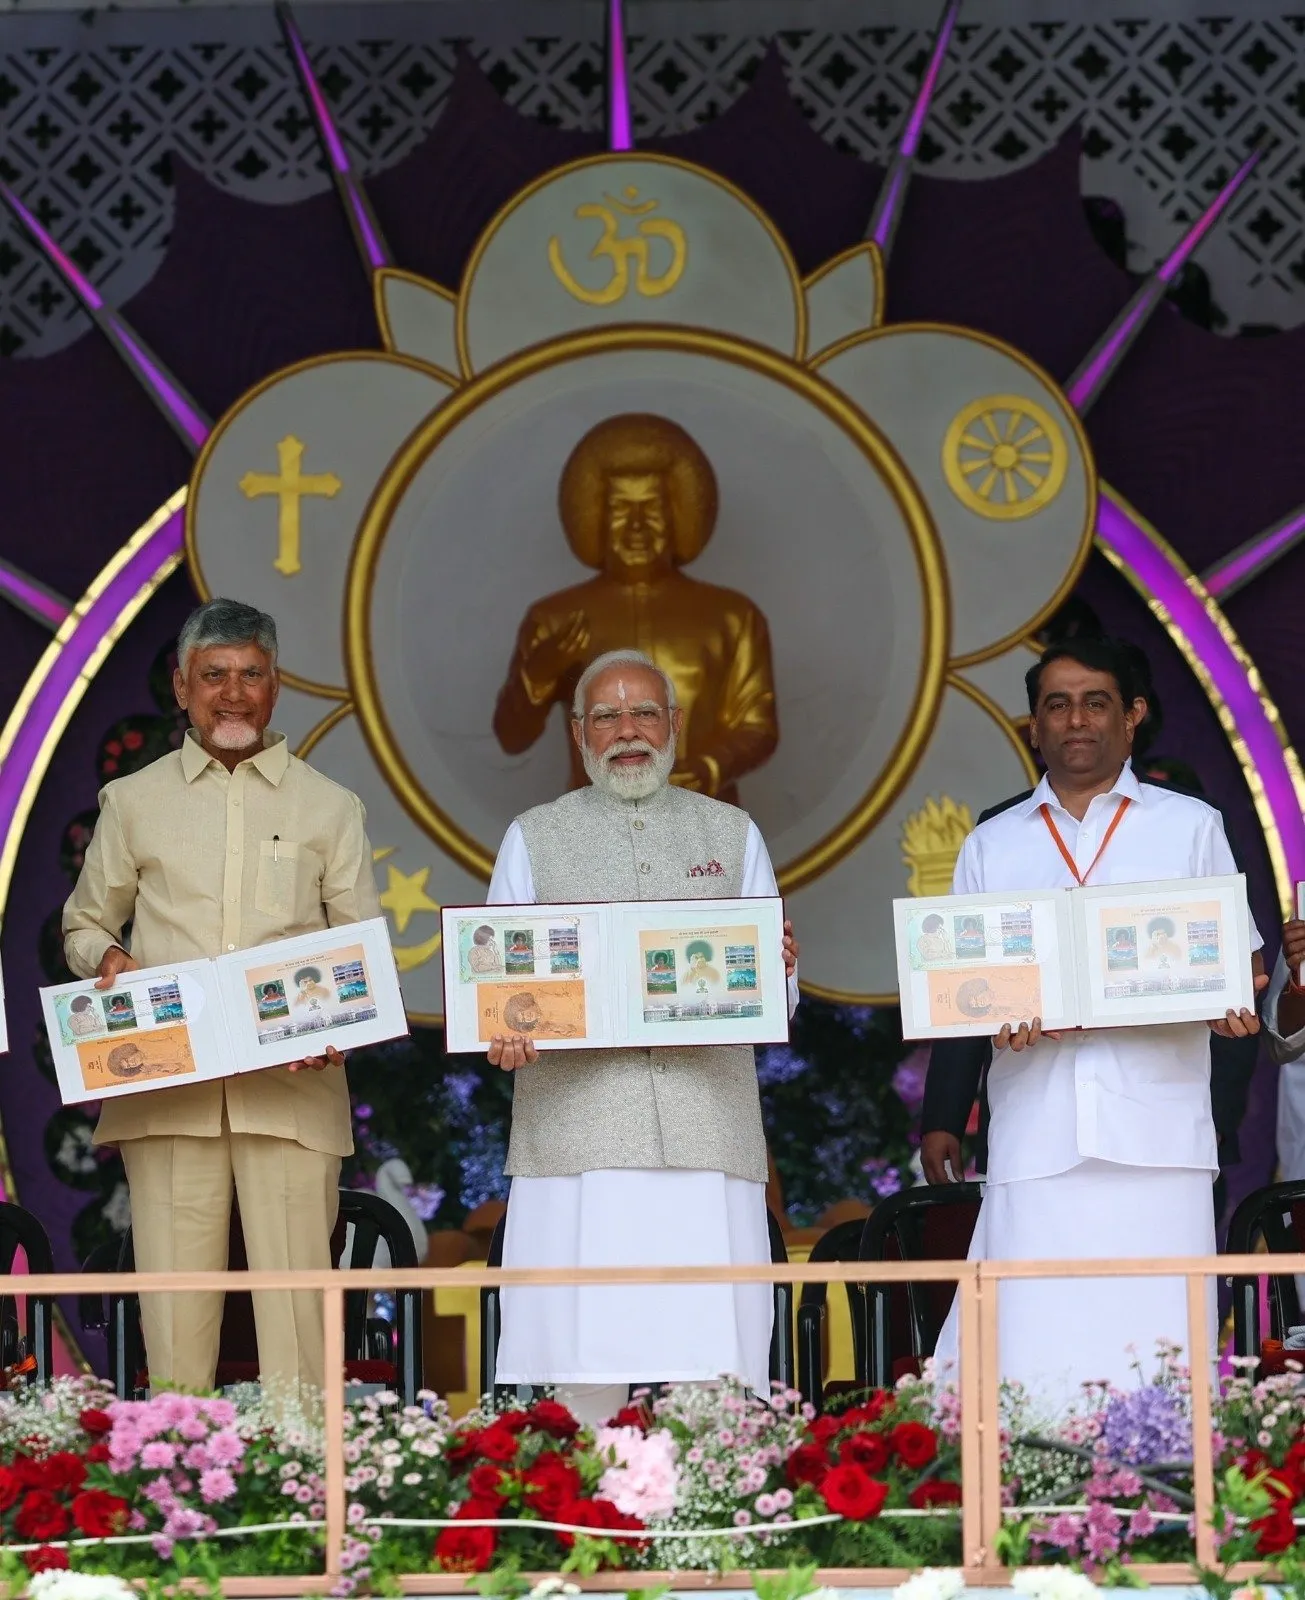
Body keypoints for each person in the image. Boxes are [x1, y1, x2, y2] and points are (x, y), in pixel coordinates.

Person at [930, 635, 1265, 1405]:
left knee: (1158, 1354)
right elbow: (963, 987)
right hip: (1035, 1137)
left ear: (1132, 716)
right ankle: (1022, 1510)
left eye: (1094, 702)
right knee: (1026, 1353)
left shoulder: (1189, 827)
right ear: (1032, 724)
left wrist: (1227, 1007)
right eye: (1056, 704)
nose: (1075, 720)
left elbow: (1235, 972)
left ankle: (1164, 1515)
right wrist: (991, 1020)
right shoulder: (992, 842)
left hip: (1157, 1140)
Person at [63, 597, 382, 1400]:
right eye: (214, 676)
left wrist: (342, 1020)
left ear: (276, 688)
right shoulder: (132, 801)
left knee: (297, 1310)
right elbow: (84, 921)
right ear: (181, 686)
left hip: (293, 1084)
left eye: (251, 675)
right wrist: (105, 955)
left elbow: (359, 952)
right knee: (173, 1308)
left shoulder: (329, 806)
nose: (233, 693)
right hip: (171, 1087)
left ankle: (308, 1481)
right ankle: (180, 1474)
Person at [484, 647, 799, 1426]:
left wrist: (779, 967)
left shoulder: (730, 832)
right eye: (606, 716)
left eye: (644, 713)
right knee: (581, 1359)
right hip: (575, 1136)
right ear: (577, 732)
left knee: (712, 1365)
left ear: (675, 724)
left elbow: (774, 999)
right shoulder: (533, 836)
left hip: (704, 1128)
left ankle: (713, 1520)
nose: (627, 731)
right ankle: (584, 1520)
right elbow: (497, 986)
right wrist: (506, 1030)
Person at [493, 414, 778, 804]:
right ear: (596, 517)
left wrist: (710, 768)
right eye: (621, 510)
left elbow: (757, 725)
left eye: (653, 508)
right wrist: (536, 677)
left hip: (705, 825)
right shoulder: (556, 619)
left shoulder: (732, 617)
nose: (637, 526)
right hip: (592, 836)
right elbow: (512, 737)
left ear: (679, 514)